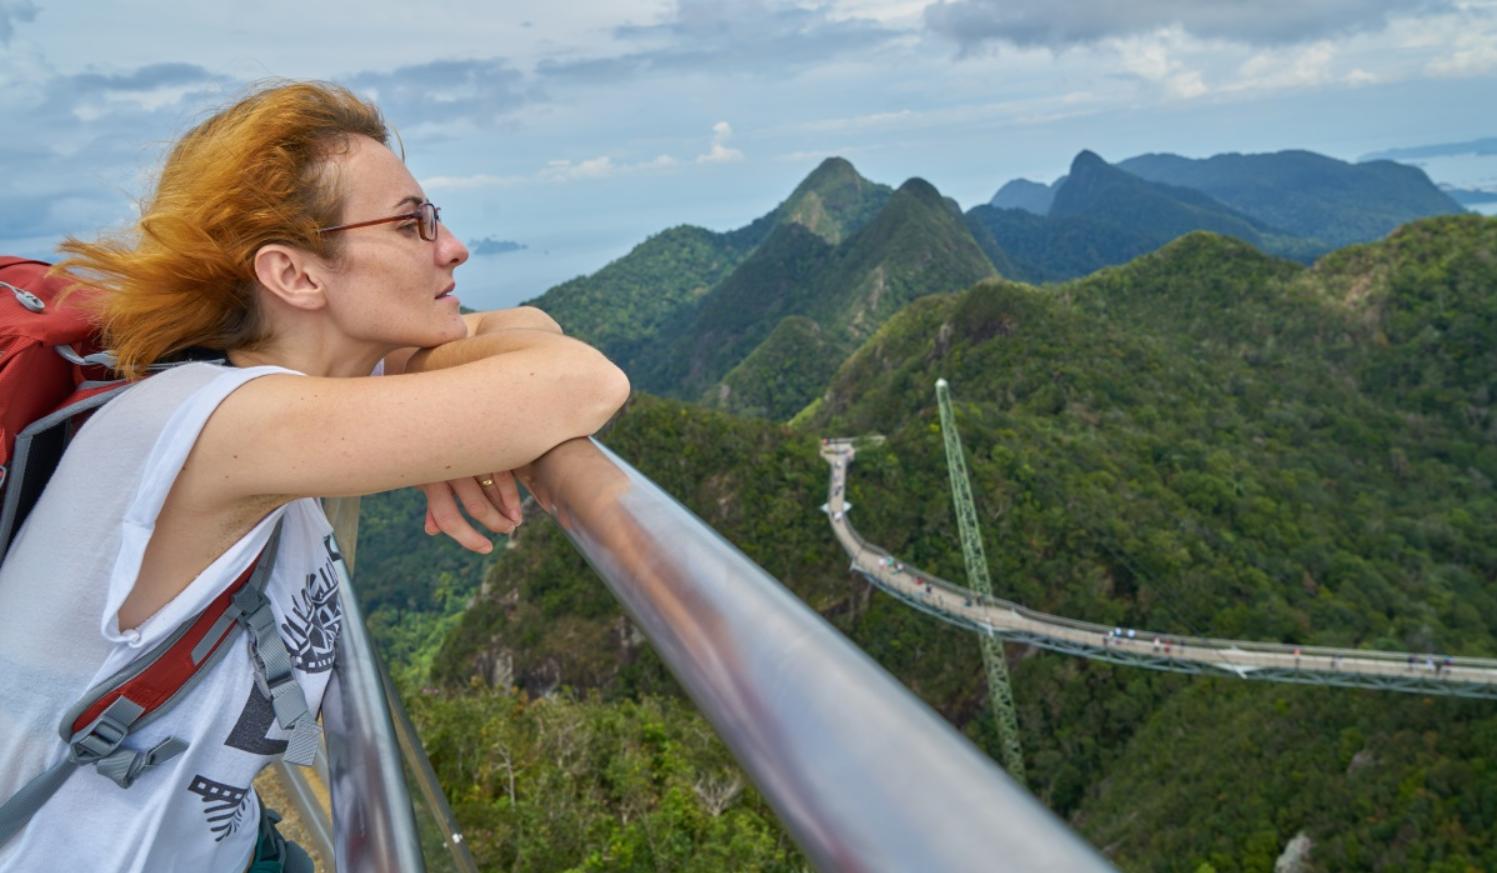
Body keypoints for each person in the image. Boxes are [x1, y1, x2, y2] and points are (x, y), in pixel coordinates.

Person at [0, 82, 629, 872]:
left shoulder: (270, 390)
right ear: (295, 275)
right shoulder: (226, 423)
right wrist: (444, 400)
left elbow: (533, 328)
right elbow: (584, 380)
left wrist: (418, 374)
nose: (453, 247)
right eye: (411, 223)